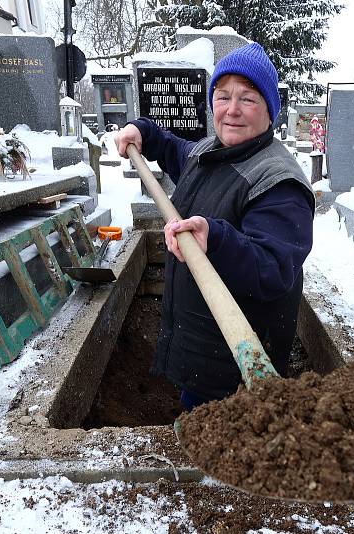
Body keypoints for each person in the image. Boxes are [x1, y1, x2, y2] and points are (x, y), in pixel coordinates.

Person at [113, 43, 315, 410]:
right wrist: (144, 132)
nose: (232, 110)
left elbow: (273, 268)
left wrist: (217, 240)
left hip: (238, 369)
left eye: (248, 99)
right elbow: (175, 150)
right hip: (201, 347)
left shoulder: (279, 183)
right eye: (223, 97)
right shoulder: (211, 151)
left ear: (270, 109)